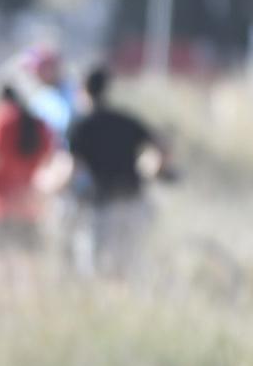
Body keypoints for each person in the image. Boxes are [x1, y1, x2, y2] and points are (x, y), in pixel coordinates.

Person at [64, 64, 174, 279]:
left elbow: (72, 167)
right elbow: (161, 144)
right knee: (129, 265)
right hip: (134, 202)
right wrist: (156, 170)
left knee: (94, 269)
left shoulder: (80, 126)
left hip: (100, 207)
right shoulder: (126, 120)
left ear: (84, 90)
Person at [0, 86, 56, 278]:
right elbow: (49, 159)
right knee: (30, 256)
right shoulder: (38, 123)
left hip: (1, 201)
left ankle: (8, 296)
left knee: (3, 254)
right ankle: (31, 297)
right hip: (29, 202)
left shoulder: (1, 120)